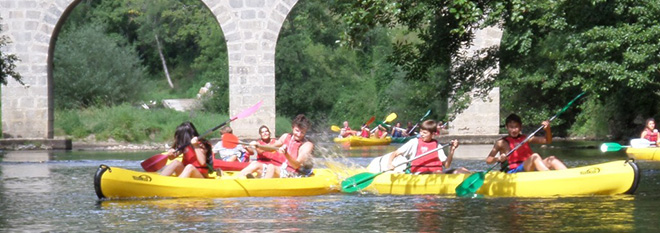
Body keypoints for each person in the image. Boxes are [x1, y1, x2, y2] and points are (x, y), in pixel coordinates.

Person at [486, 113, 567, 173]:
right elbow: (488, 160)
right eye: (511, 127)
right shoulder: (501, 142)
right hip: (513, 171)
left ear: (520, 127)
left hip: (528, 167)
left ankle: (568, 175)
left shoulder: (526, 138)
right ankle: (549, 178)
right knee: (535, 156)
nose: (514, 130)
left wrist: (547, 129)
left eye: (516, 127)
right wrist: (498, 159)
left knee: (552, 159)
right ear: (507, 127)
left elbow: (547, 140)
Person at [386, 120, 469, 174]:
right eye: (421, 132)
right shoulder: (414, 142)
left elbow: (446, 165)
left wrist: (452, 150)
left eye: (425, 133)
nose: (422, 134)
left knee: (463, 170)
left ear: (432, 134)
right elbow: (395, 153)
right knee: (438, 173)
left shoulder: (437, 145)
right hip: (419, 173)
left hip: (437, 173)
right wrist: (390, 163)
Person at [263, 114, 314, 178]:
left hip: (296, 174)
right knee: (255, 165)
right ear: (292, 128)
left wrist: (286, 153)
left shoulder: (307, 145)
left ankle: (261, 186)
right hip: (284, 169)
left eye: (302, 132)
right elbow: (270, 148)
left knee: (271, 167)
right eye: (297, 131)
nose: (299, 134)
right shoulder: (286, 136)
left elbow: (296, 165)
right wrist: (257, 145)